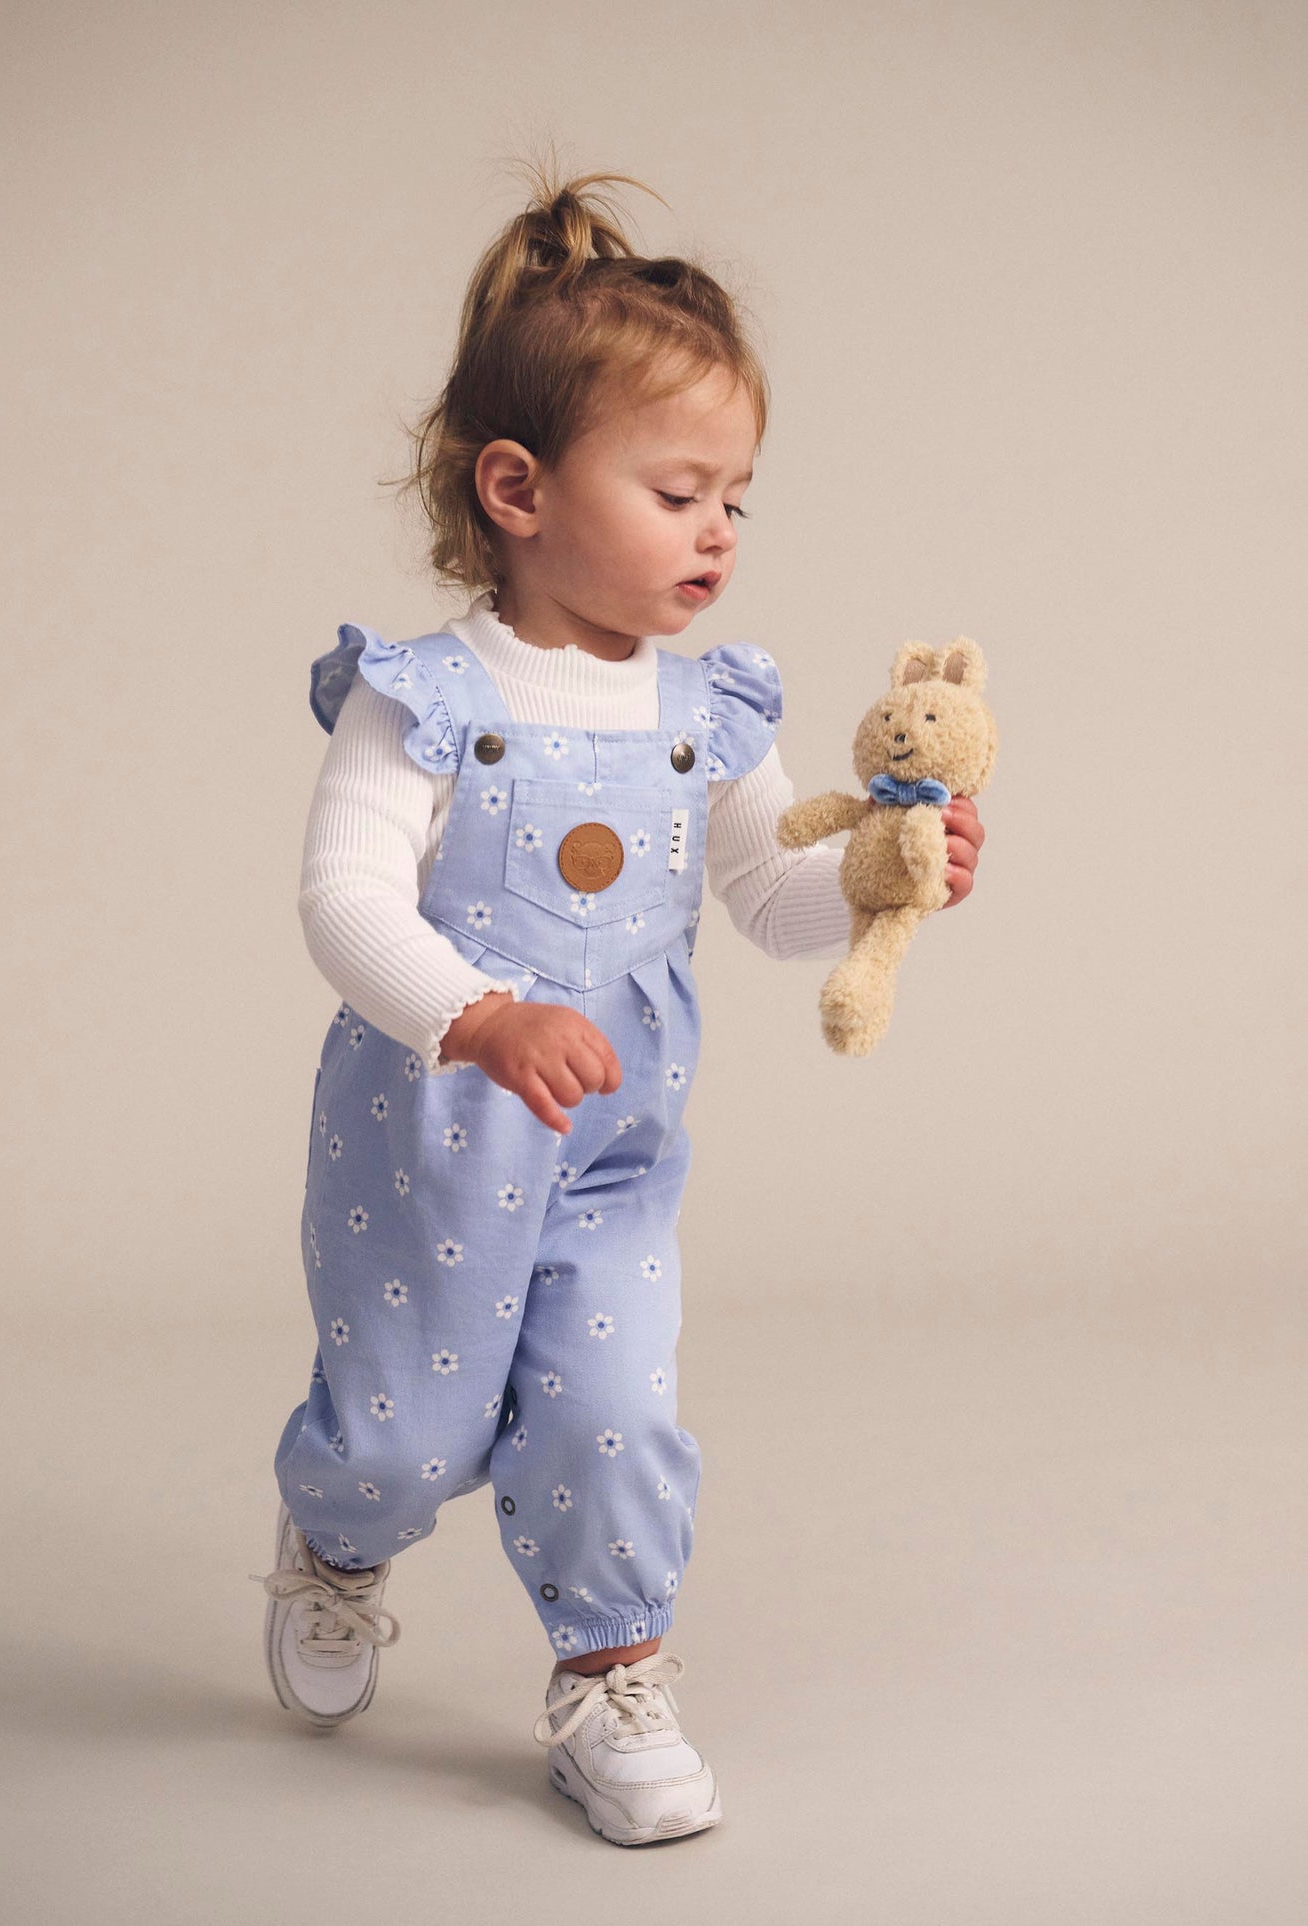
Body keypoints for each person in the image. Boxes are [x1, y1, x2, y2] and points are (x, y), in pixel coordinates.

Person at [252, 163, 985, 1847]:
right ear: (517, 488)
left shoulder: (703, 713)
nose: (718, 530)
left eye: (737, 498)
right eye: (677, 491)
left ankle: (610, 1671)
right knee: (403, 1435)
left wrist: (885, 875)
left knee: (610, 1413)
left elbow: (771, 899)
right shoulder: (420, 697)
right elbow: (343, 902)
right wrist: (477, 1017)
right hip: (429, 1152)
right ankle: (337, 1535)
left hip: (607, 1158)